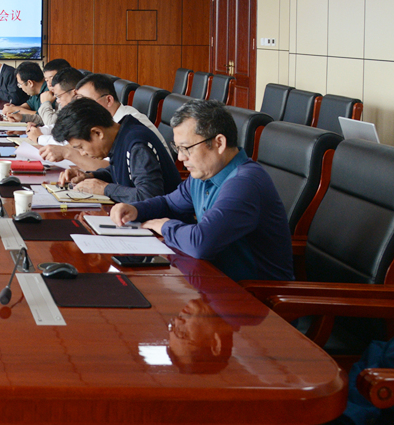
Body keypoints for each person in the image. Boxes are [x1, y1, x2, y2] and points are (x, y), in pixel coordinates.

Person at [109, 99, 294, 282]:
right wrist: (136, 209)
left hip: (255, 293)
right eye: (178, 148)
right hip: (213, 279)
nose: (181, 158)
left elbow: (201, 243)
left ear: (219, 143)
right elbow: (169, 203)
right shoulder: (204, 174)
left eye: (186, 148)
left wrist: (165, 226)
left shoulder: (245, 183)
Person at [54, 97, 181, 203]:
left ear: (97, 133)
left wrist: (105, 189)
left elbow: (149, 196)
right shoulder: (122, 133)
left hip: (165, 222)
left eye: (81, 147)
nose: (82, 153)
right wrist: (89, 176)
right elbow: (122, 171)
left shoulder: (137, 145)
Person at [73, 74, 171, 157]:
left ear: (109, 100)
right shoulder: (108, 122)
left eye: (87, 103)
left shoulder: (132, 125)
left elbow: (108, 165)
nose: (82, 109)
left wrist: (70, 154)